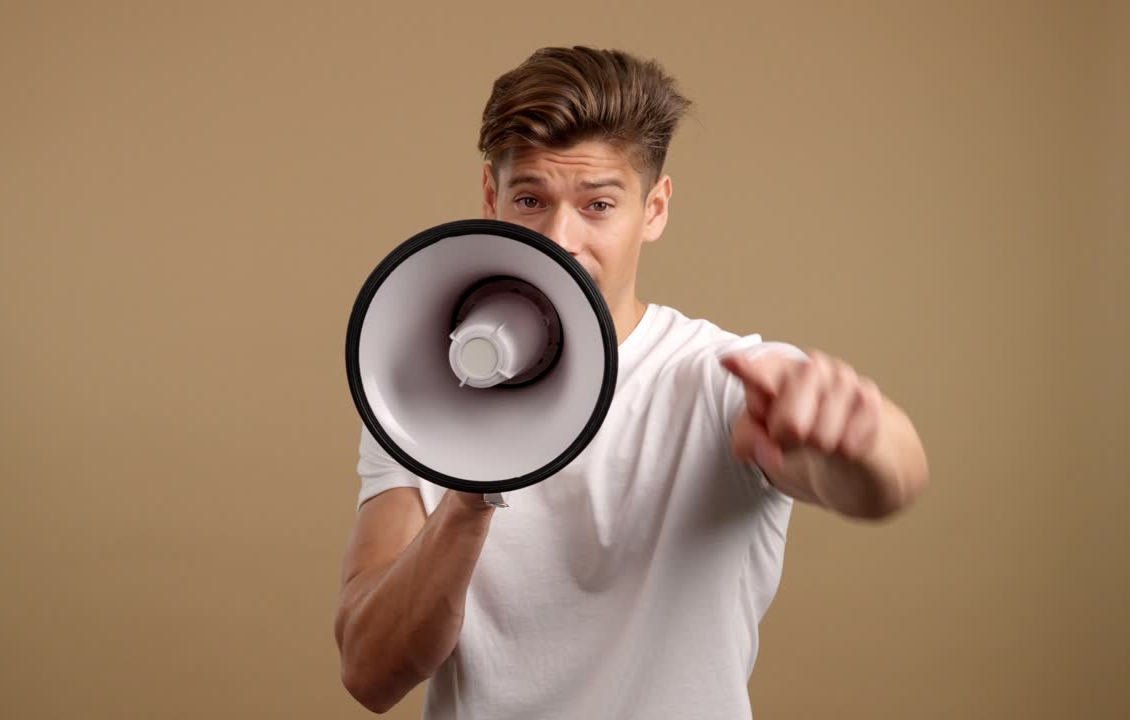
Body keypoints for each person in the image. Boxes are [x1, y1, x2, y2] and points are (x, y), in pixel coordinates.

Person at [333, 46, 929, 719]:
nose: (559, 238)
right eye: (531, 198)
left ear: (654, 210)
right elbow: (369, 671)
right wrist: (472, 490)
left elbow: (886, 481)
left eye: (598, 205)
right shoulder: (418, 398)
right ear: (490, 197)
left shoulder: (718, 379)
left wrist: (861, 438)